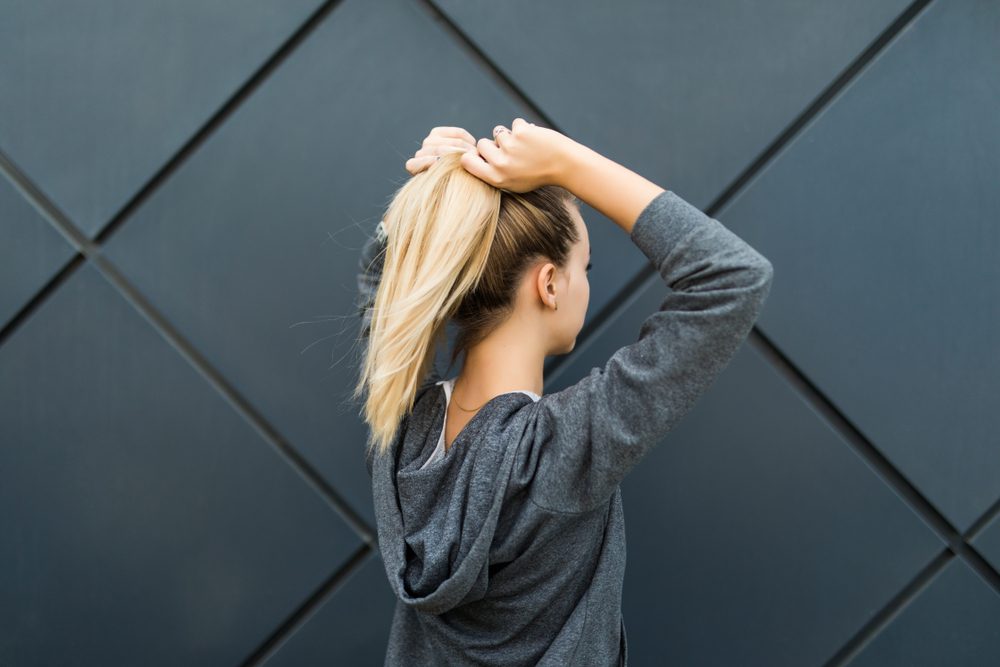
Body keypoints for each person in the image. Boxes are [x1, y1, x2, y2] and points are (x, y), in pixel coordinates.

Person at [353, 120, 774, 665]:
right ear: (549, 284)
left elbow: (377, 282)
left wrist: (432, 196)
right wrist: (566, 162)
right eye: (585, 268)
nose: (587, 285)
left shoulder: (401, 431)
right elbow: (733, 278)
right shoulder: (560, 450)